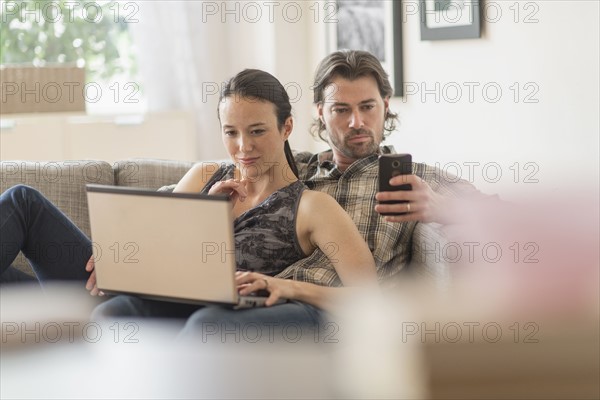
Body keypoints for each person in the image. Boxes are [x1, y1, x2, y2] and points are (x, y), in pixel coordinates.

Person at [275, 49, 492, 286]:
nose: (356, 122)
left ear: (385, 106)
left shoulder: (413, 178)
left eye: (367, 107)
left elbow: (508, 215)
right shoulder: (295, 169)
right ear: (321, 113)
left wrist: (441, 207)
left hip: (338, 310)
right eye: (341, 109)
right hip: (271, 292)